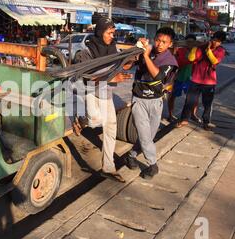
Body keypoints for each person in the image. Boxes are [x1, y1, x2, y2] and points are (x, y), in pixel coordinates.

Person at [73, 17, 132, 182]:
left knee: (110, 127)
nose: (112, 36)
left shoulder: (112, 48)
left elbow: (121, 64)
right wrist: (112, 78)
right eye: (109, 33)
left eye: (114, 33)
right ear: (100, 32)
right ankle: (82, 120)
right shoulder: (87, 52)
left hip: (106, 93)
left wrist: (135, 56)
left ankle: (108, 167)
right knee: (95, 121)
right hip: (90, 91)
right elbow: (89, 79)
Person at [124, 27, 178, 179]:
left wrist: (146, 56)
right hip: (139, 99)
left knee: (148, 136)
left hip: (156, 101)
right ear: (154, 39)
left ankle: (131, 155)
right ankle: (153, 165)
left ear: (170, 44)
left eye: (164, 42)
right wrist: (135, 52)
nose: (160, 44)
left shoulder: (169, 61)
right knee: (144, 135)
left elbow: (157, 76)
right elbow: (126, 66)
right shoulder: (146, 51)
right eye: (158, 40)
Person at [176, 31, 227, 131]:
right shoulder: (201, 47)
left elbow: (214, 61)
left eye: (218, 41)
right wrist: (196, 48)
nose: (215, 42)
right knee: (189, 101)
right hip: (196, 79)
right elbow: (191, 58)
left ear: (221, 42)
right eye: (214, 40)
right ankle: (184, 119)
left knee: (207, 104)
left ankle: (206, 122)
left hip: (209, 82)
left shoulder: (220, 50)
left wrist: (208, 50)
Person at [167, 34, 200, 122]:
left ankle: (193, 114)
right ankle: (170, 115)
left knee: (194, 98)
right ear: (185, 42)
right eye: (188, 42)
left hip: (191, 78)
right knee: (172, 97)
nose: (189, 44)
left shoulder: (197, 51)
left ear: (195, 43)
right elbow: (176, 63)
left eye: (192, 42)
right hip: (178, 77)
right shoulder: (180, 50)